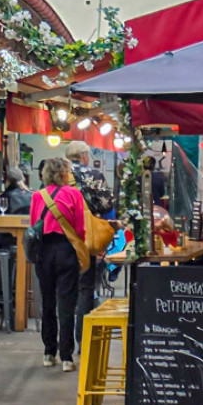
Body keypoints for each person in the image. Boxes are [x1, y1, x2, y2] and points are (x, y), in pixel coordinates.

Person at [29, 157, 87, 371]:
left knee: (47, 302)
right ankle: (66, 357)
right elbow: (80, 228)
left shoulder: (37, 196)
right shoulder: (74, 194)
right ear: (65, 173)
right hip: (66, 251)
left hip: (44, 252)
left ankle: (48, 352)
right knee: (67, 304)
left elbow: (33, 225)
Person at [65, 139, 113, 331]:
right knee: (85, 287)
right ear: (84, 156)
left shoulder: (58, 173)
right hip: (85, 237)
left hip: (60, 235)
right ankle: (82, 336)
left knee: (64, 288)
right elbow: (106, 206)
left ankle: (64, 340)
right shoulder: (93, 175)